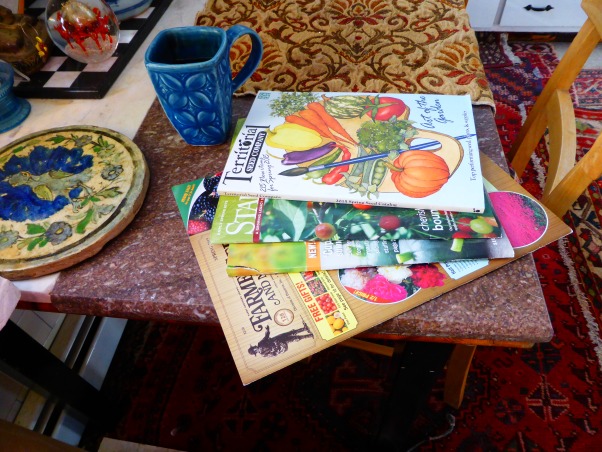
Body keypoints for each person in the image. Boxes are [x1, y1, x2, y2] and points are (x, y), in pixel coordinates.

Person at [248, 320, 314, 357]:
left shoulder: (260, 343)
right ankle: (309, 335)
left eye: (252, 346)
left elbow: (266, 337)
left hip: (277, 339)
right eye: (253, 347)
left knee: (290, 333)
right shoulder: (263, 354)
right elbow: (274, 354)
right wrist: (277, 345)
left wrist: (267, 330)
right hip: (281, 346)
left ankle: (304, 328)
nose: (254, 346)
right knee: (294, 338)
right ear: (254, 350)